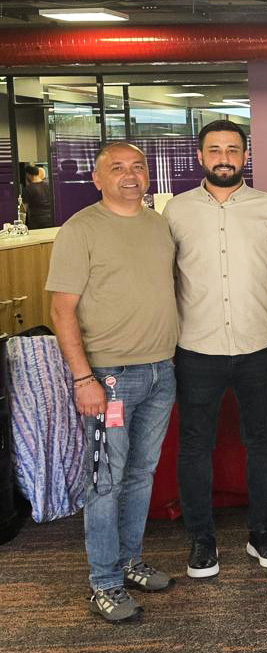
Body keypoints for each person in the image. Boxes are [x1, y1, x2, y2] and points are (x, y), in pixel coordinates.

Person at [164, 120, 267, 578]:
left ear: (245, 155)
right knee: (194, 446)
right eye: (214, 149)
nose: (223, 158)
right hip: (195, 348)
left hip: (259, 346)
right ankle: (201, 539)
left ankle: (261, 532)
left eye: (232, 149)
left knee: (261, 442)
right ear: (200, 156)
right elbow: (165, 280)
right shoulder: (176, 211)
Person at [46, 141, 178, 622]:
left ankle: (129, 562)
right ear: (97, 179)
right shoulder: (81, 229)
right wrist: (83, 378)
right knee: (105, 482)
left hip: (161, 370)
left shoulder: (158, 225)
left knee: (142, 475)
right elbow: (61, 309)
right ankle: (103, 582)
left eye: (138, 166)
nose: (130, 175)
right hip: (109, 378)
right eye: (117, 168)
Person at [21, 163, 53, 229]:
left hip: (36, 222)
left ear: (29, 175)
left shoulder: (28, 189)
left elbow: (24, 209)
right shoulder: (49, 186)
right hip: (50, 220)